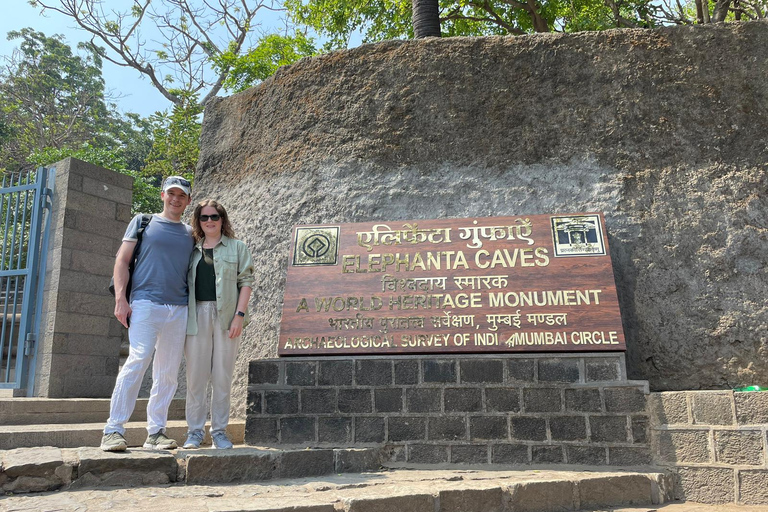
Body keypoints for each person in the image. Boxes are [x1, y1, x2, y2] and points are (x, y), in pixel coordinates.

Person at [100, 176, 194, 452]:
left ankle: (156, 432)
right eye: (171, 193)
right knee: (137, 360)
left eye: (182, 195)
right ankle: (113, 430)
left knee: (167, 373)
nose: (176, 199)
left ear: (188, 201)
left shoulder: (191, 233)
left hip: (179, 308)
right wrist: (121, 300)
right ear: (162, 195)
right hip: (145, 302)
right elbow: (122, 261)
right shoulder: (143, 222)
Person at [182, 199, 254, 449]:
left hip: (226, 317)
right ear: (198, 222)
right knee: (196, 377)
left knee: (222, 376)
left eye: (214, 216)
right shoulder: (191, 249)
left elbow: (245, 282)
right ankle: (194, 432)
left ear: (222, 219)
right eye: (204, 217)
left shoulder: (237, 247)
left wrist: (239, 316)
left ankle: (220, 432)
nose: (210, 221)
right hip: (196, 316)